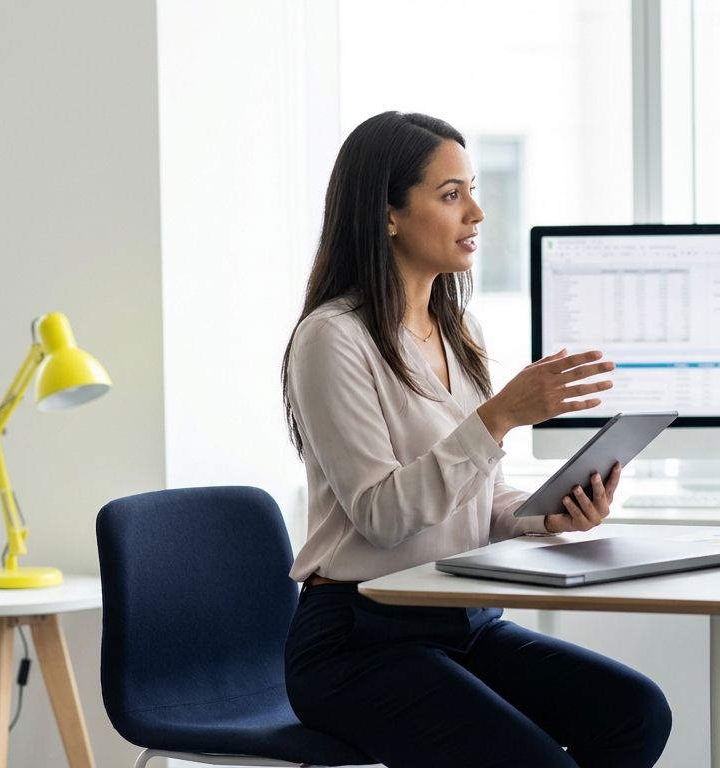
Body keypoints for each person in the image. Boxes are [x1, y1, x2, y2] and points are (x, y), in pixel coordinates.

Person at [279, 111, 672, 768]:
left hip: (461, 620)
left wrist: (545, 514)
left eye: (472, 189)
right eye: (451, 194)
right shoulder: (332, 339)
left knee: (634, 712)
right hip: (357, 638)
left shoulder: (460, 334)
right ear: (388, 216)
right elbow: (382, 516)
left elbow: (476, 500)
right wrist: (498, 418)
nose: (478, 213)